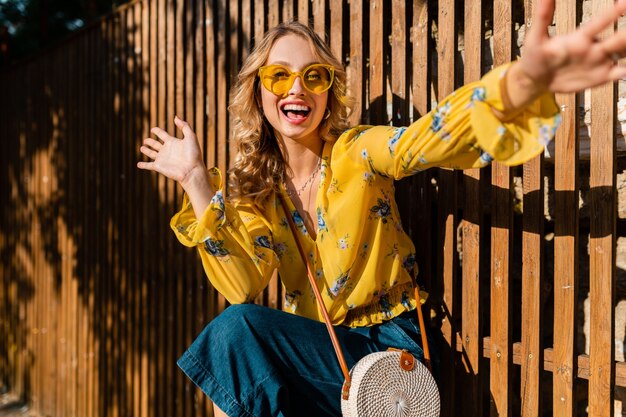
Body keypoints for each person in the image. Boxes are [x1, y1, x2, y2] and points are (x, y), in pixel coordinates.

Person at [138, 1, 626, 415]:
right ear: (258, 89)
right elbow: (242, 286)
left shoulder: (356, 152)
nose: (296, 88)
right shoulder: (257, 192)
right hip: (319, 353)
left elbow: (423, 141)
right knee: (236, 340)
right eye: (278, 75)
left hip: (386, 354)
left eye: (314, 75)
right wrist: (197, 182)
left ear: (329, 90)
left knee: (235, 335)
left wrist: (518, 84)